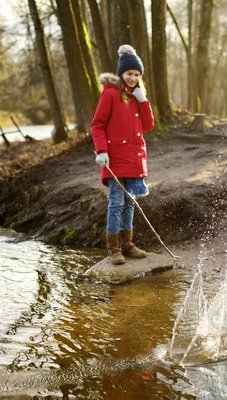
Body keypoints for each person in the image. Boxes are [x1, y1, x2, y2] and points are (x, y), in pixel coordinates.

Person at [91, 44, 155, 265]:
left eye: (137, 74)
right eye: (129, 73)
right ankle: (113, 248)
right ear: (121, 73)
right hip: (114, 158)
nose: (133, 78)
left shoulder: (137, 96)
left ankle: (127, 244)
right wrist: (102, 151)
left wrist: (143, 101)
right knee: (116, 202)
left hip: (134, 158)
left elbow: (148, 126)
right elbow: (97, 125)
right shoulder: (110, 94)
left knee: (130, 202)